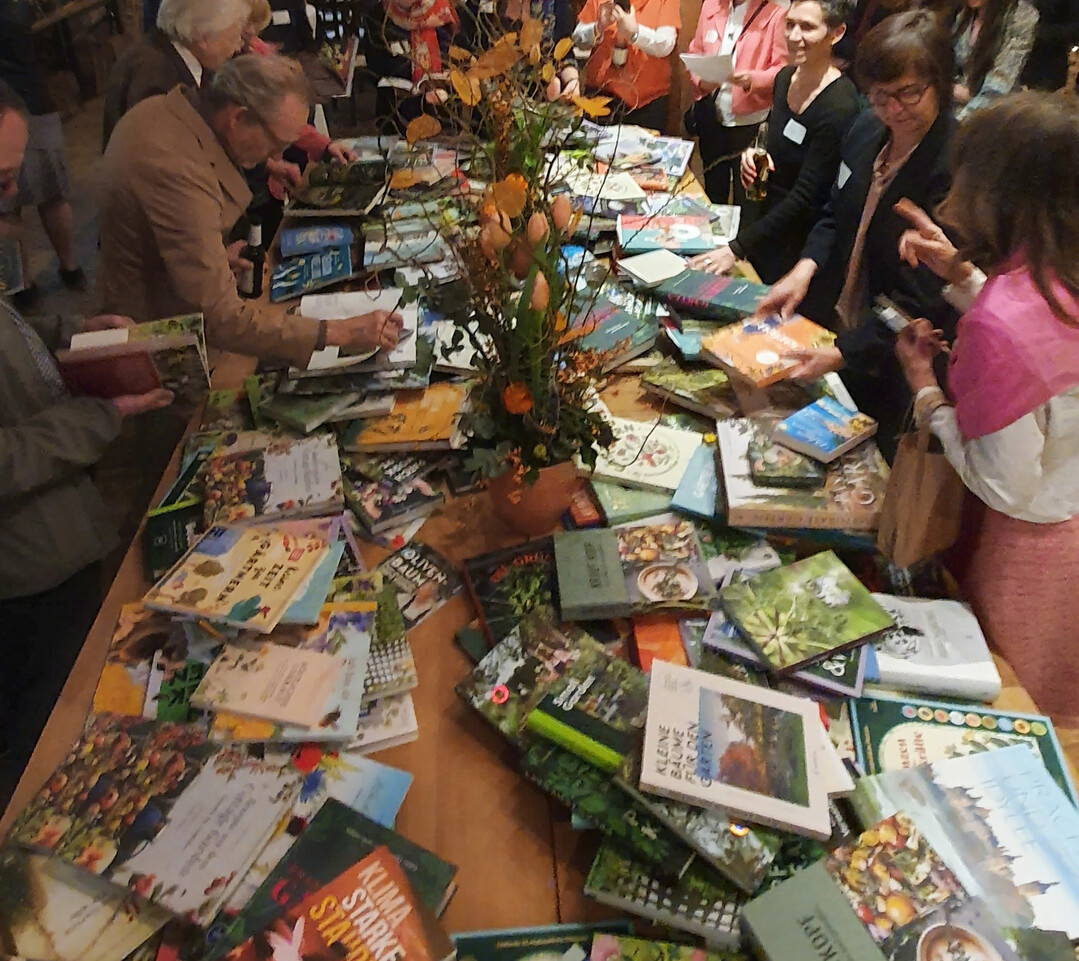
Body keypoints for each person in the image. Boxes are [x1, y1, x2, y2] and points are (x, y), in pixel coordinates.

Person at [0, 81, 174, 805]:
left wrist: (69, 336)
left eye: (8, 179)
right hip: (24, 577)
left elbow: (11, 339)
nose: (6, 201)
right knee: (40, 750)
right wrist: (104, 416)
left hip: (56, 546)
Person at [892, 91, 1079, 723]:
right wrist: (965, 279)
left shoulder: (1003, 320)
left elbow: (1001, 482)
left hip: (1024, 547)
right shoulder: (1062, 271)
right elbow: (1048, 360)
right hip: (1067, 524)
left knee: (1007, 711)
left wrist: (926, 392)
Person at [96, 54, 402, 370]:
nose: (278, 155)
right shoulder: (176, 167)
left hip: (162, 303)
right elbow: (220, 318)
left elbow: (156, 232)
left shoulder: (168, 111)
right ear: (239, 118)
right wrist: (339, 331)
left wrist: (208, 254)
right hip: (157, 347)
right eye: (276, 143)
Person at [754, 10, 958, 461]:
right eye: (879, 96)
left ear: (940, 82)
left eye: (908, 93)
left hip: (900, 357)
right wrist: (803, 270)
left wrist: (845, 351)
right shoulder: (868, 128)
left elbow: (922, 296)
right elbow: (835, 210)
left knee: (875, 467)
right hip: (838, 320)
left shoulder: (954, 165)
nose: (892, 109)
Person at [687, 0, 859, 282]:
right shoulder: (785, 78)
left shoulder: (840, 104)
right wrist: (757, 152)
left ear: (836, 33)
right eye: (790, 24)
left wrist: (737, 247)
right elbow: (775, 141)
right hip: (765, 225)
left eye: (807, 27)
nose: (793, 36)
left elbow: (806, 195)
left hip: (797, 242)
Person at [0, 0, 86, 308]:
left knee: (8, 209)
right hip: (32, 101)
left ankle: (19, 286)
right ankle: (69, 268)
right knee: (51, 195)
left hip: (17, 108)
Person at [102, 0, 249, 149]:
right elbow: (164, 154)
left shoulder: (170, 46)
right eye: (233, 38)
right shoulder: (157, 80)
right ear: (205, 39)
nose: (237, 47)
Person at [685, 0, 788, 207]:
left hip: (750, 122)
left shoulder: (775, 15)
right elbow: (695, 51)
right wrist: (701, 81)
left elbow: (783, 69)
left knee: (748, 197)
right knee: (714, 191)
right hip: (712, 117)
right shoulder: (711, 6)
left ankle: (740, 239)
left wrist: (752, 80)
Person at [571, 0, 682, 131]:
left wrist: (635, 32)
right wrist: (598, 27)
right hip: (601, 97)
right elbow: (577, 39)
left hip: (648, 101)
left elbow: (665, 45)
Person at [952, 0, 1038, 118]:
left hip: (995, 113)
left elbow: (1000, 83)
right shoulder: (964, 14)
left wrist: (962, 116)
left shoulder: (1022, 15)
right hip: (954, 103)